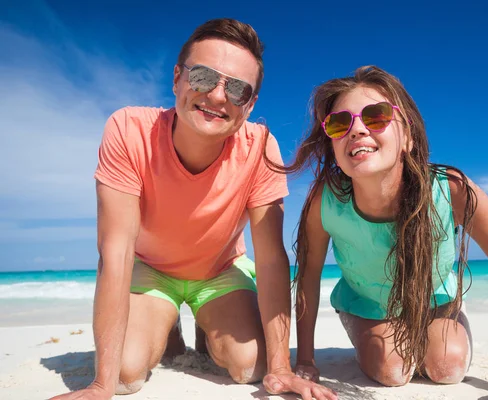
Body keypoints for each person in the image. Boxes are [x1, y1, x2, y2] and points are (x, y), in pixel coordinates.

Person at [51, 18, 336, 400]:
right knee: (124, 375)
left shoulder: (260, 146)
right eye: (202, 77)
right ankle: (167, 326)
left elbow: (269, 259)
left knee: (252, 366)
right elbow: (116, 252)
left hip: (220, 270)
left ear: (249, 105)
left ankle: (207, 328)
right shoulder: (128, 129)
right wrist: (101, 385)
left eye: (237, 89)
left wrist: (282, 368)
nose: (218, 96)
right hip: (151, 268)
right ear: (177, 79)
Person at [283, 66, 488, 400]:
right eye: (339, 123)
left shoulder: (451, 191)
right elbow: (306, 278)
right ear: (332, 144)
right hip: (364, 306)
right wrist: (305, 360)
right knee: (391, 369)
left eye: (375, 117)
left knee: (446, 365)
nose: (357, 130)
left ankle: (441, 328)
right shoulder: (326, 201)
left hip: (435, 304)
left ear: (407, 136)